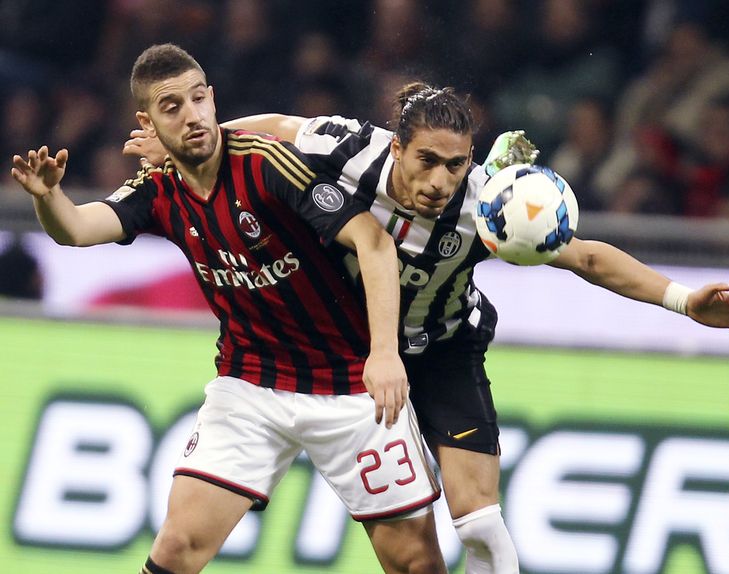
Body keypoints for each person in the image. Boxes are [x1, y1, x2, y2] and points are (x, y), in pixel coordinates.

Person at [125, 81, 729, 574]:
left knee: (480, 523)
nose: (440, 182)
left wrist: (686, 300)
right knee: (404, 552)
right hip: (351, 356)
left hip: (442, 349)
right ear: (397, 145)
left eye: (456, 165)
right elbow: (274, 126)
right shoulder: (346, 150)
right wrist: (183, 140)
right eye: (427, 161)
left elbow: (587, 257)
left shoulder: (487, 204)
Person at [12, 44, 447, 574]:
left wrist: (384, 355)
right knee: (177, 546)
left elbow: (374, 245)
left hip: (350, 385)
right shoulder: (157, 191)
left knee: (415, 562)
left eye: (198, 98)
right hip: (250, 386)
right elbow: (78, 229)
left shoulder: (267, 165)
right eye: (172, 108)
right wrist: (47, 198)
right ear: (148, 122)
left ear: (213, 99)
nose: (191, 115)